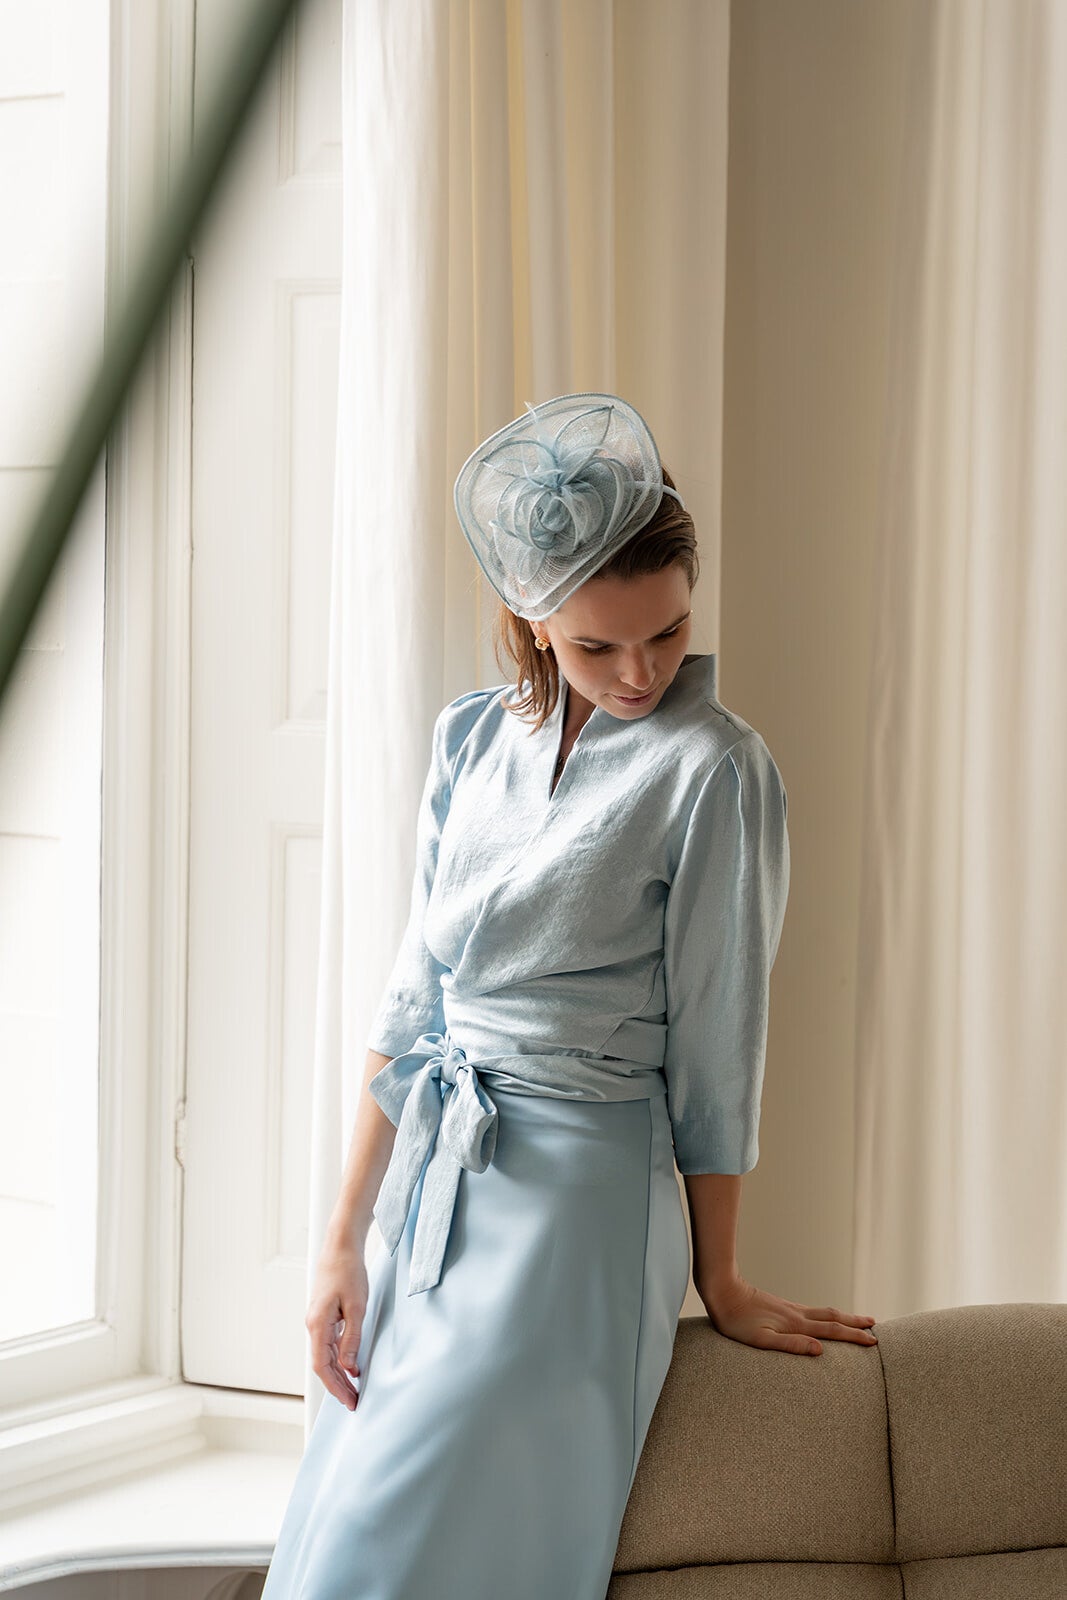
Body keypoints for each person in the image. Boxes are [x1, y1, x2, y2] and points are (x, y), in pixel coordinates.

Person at [260, 393, 878, 1599]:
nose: (641, 672)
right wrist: (341, 1241)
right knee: (341, 1522)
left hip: (583, 1195)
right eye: (598, 647)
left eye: (668, 631)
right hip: (438, 1182)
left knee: (419, 1533)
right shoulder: (467, 740)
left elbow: (720, 1042)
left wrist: (719, 1276)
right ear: (530, 620)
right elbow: (414, 1001)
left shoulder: (716, 768)